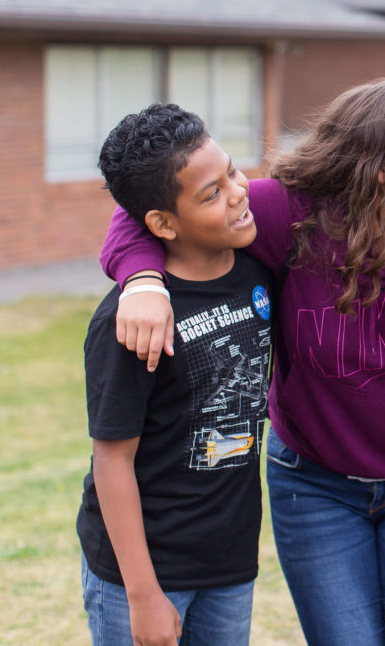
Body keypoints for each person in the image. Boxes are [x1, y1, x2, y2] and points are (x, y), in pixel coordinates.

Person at [99, 79, 385, 645]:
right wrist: (143, 279)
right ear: (380, 168)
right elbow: (145, 210)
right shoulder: (296, 217)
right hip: (315, 489)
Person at [77, 103, 272, 646]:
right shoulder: (134, 321)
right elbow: (112, 459)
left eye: (233, 171)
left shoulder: (258, 271)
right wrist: (142, 594)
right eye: (210, 194)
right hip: (143, 571)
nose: (237, 192)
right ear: (161, 223)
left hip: (230, 562)